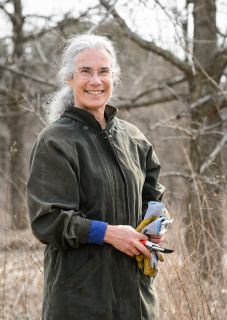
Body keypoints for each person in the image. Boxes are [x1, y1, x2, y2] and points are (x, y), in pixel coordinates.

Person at [26, 34, 166, 320]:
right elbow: (48, 221)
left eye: (104, 71)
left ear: (113, 77)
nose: (95, 81)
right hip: (81, 302)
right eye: (85, 71)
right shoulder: (55, 141)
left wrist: (156, 224)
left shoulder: (133, 138)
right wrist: (110, 234)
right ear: (70, 79)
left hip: (136, 300)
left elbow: (155, 196)